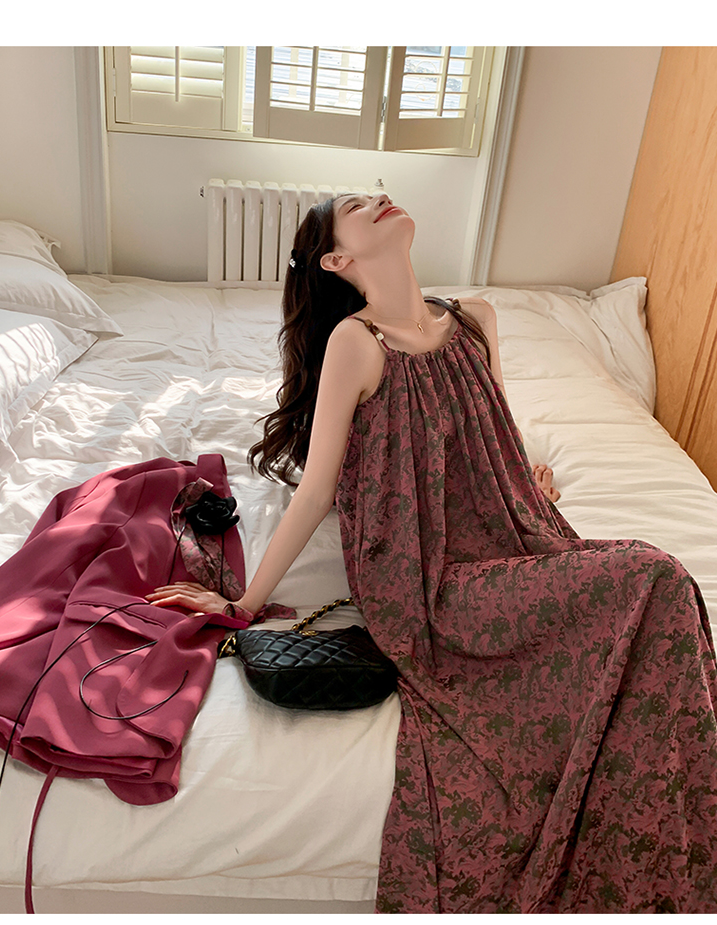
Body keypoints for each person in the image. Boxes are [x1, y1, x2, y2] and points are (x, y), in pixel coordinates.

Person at [147, 193, 717, 913]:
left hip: (512, 537)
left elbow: (495, 421)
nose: (378, 199)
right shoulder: (356, 343)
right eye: (357, 207)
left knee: (657, 600)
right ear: (338, 259)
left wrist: (523, 475)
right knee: (656, 576)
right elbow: (316, 490)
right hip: (432, 584)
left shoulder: (476, 318)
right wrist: (245, 602)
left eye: (375, 193)